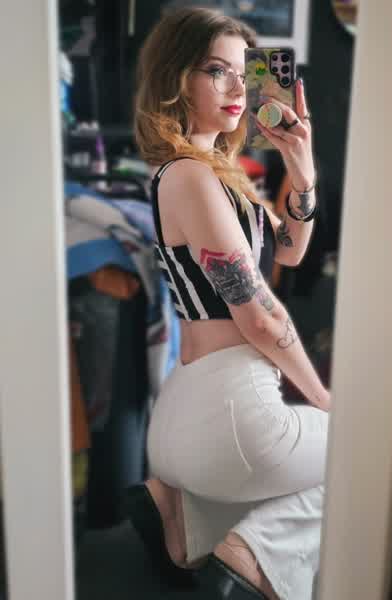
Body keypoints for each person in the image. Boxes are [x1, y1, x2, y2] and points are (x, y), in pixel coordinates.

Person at [124, 7, 331, 600]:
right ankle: (254, 553)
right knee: (368, 449)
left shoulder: (214, 172)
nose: (239, 88)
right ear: (176, 79)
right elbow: (259, 316)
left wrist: (302, 172)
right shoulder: (191, 176)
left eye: (245, 73)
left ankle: (182, 517)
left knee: (302, 461)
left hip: (188, 413)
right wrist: (322, 398)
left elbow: (289, 250)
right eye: (218, 71)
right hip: (229, 412)